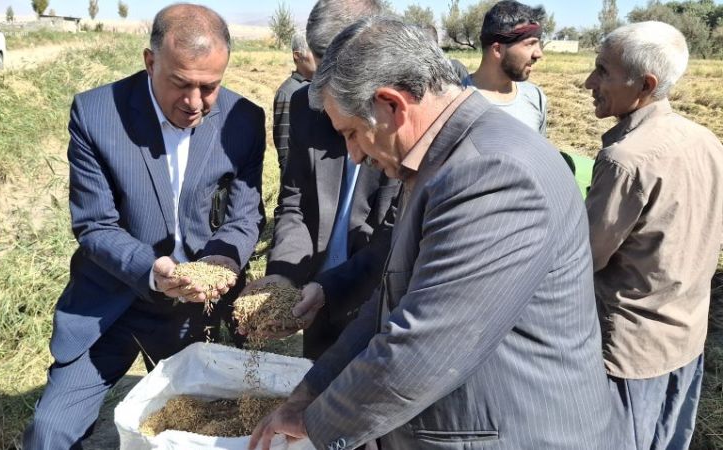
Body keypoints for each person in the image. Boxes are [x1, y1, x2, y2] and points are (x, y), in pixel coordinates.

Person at [250, 17, 622, 450]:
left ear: (392, 105)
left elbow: (423, 348)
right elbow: (392, 302)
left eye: (352, 134)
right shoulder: (441, 160)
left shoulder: (490, 172)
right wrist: (311, 390)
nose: (353, 155)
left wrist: (317, 423)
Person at [24, 4, 266, 447]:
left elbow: (245, 215)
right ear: (150, 61)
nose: (195, 103)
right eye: (181, 83)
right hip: (112, 300)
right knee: (50, 431)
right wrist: (151, 271)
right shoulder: (96, 114)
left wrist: (220, 262)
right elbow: (95, 225)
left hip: (195, 310)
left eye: (209, 87)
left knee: (193, 431)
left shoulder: (244, 120)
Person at [584, 21, 723, 450]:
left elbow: (585, 258)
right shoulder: (706, 140)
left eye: (602, 71)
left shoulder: (625, 161)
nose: (589, 82)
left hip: (632, 352)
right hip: (687, 338)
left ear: (645, 85)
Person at [247, 0, 400, 360]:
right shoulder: (307, 105)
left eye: (337, 73)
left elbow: (396, 234)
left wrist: (331, 288)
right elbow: (296, 202)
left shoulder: (404, 118)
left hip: (379, 303)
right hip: (315, 299)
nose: (324, 89)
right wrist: (284, 276)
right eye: (319, 69)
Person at [463, 0, 547, 136]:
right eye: (530, 44)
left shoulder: (535, 97)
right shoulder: (456, 101)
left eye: (538, 44)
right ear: (497, 49)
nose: (539, 54)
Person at [272, 33, 316, 175]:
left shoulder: (323, 87)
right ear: (297, 56)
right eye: (314, 51)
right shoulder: (287, 93)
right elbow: (284, 148)